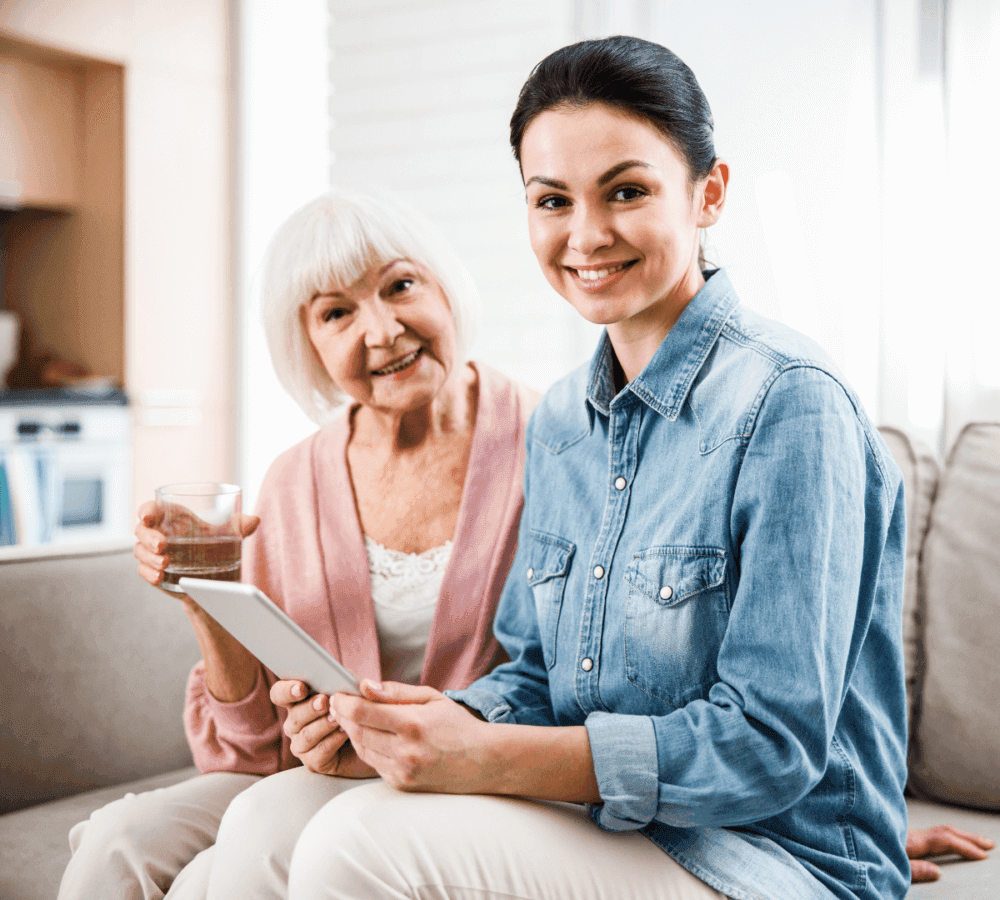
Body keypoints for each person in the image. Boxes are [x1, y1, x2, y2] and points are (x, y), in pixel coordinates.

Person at [279, 36, 988, 900]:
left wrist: (490, 760)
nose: (586, 235)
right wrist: (423, 727)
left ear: (708, 193)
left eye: (626, 190)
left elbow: (771, 744)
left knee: (353, 845)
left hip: (773, 860)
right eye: (551, 200)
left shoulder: (791, 404)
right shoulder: (561, 423)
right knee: (266, 826)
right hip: (607, 824)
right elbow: (539, 674)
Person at [56, 188, 538, 900]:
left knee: (218, 871)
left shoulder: (552, 444)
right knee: (114, 843)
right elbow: (248, 752)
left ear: (445, 286)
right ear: (308, 345)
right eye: (337, 312)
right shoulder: (295, 480)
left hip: (462, 776)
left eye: (400, 285)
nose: (381, 331)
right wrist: (204, 604)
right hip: (314, 774)